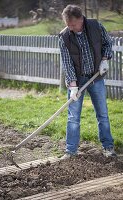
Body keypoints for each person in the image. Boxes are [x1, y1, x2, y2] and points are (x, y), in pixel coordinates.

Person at [59, 4, 116, 159]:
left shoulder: (95, 26)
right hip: (77, 80)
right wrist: (72, 86)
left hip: (96, 78)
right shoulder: (64, 36)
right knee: (73, 117)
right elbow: (67, 62)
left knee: (102, 114)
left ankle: (108, 147)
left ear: (81, 19)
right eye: (68, 25)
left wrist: (105, 59)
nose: (70, 28)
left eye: (73, 25)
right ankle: (70, 151)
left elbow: (107, 43)